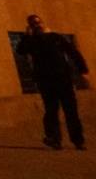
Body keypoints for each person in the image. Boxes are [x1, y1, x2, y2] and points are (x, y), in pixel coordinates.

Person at [17, 13, 88, 150]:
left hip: (63, 79)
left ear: (43, 23)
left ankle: (78, 140)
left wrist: (82, 69)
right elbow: (21, 50)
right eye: (33, 24)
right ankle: (54, 139)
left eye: (38, 22)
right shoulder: (31, 41)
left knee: (71, 111)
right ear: (30, 27)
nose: (37, 25)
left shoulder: (55, 37)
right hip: (45, 81)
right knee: (51, 111)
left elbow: (72, 51)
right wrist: (26, 35)